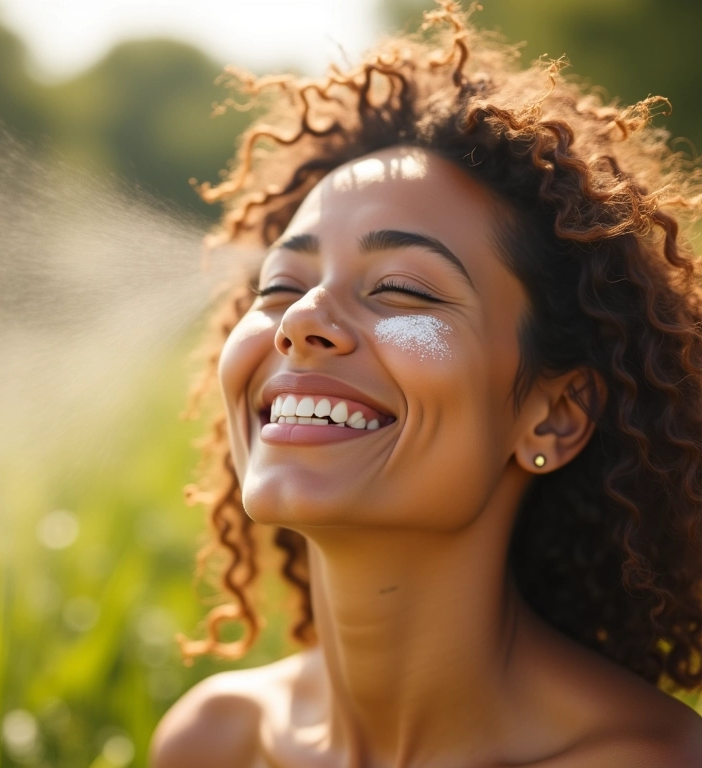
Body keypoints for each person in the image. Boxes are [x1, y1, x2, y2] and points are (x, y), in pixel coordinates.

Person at [150, 3, 702, 765]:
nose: (300, 320)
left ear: (554, 417)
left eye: (403, 290)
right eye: (278, 286)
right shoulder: (216, 741)